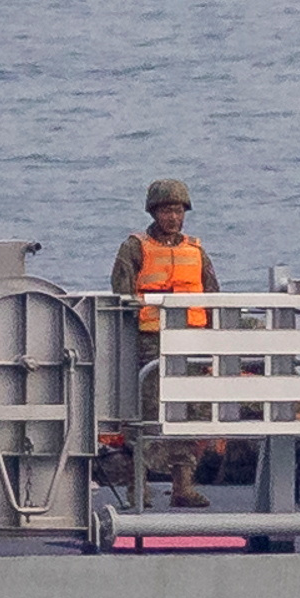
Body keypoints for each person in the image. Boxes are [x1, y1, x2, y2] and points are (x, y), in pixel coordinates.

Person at [109, 178, 220, 510]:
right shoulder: (134, 247)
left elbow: (212, 295)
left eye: (178, 210)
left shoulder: (196, 250)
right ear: (154, 212)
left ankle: (183, 486)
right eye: (167, 210)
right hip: (149, 341)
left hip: (192, 341)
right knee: (145, 415)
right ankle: (138, 489)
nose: (173, 217)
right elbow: (122, 293)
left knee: (191, 415)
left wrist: (214, 342)